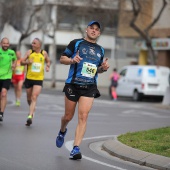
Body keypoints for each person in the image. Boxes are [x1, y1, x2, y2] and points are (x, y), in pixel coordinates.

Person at [56, 21, 109, 160]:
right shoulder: (76, 43)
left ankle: (76, 148)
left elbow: (97, 70)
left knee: (83, 116)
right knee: (68, 116)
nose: (93, 31)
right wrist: (72, 60)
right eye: (91, 28)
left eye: (96, 29)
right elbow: (62, 59)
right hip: (73, 84)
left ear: (99, 33)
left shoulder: (100, 50)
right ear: (87, 30)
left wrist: (103, 68)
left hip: (90, 86)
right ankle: (62, 131)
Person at [21, 38, 50, 126]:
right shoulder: (29, 52)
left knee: (34, 97)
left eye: (34, 43)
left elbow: (48, 61)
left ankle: (30, 116)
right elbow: (21, 62)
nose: (32, 44)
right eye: (32, 43)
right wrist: (27, 62)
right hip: (29, 78)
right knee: (29, 99)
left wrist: (48, 66)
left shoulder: (43, 53)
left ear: (39, 45)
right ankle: (32, 109)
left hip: (39, 79)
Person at [0, 37, 17, 121]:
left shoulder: (12, 52)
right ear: (1, 44)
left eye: (7, 43)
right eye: (4, 43)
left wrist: (14, 65)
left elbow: (15, 60)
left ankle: (1, 114)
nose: (6, 45)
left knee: (3, 93)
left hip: (7, 76)